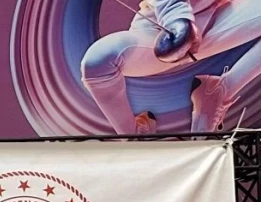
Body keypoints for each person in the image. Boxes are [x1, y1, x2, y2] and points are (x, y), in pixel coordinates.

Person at [80, 0, 261, 134]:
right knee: (98, 61)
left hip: (222, 17)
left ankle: (220, 90)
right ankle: (133, 138)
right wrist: (175, 17)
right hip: (159, 31)